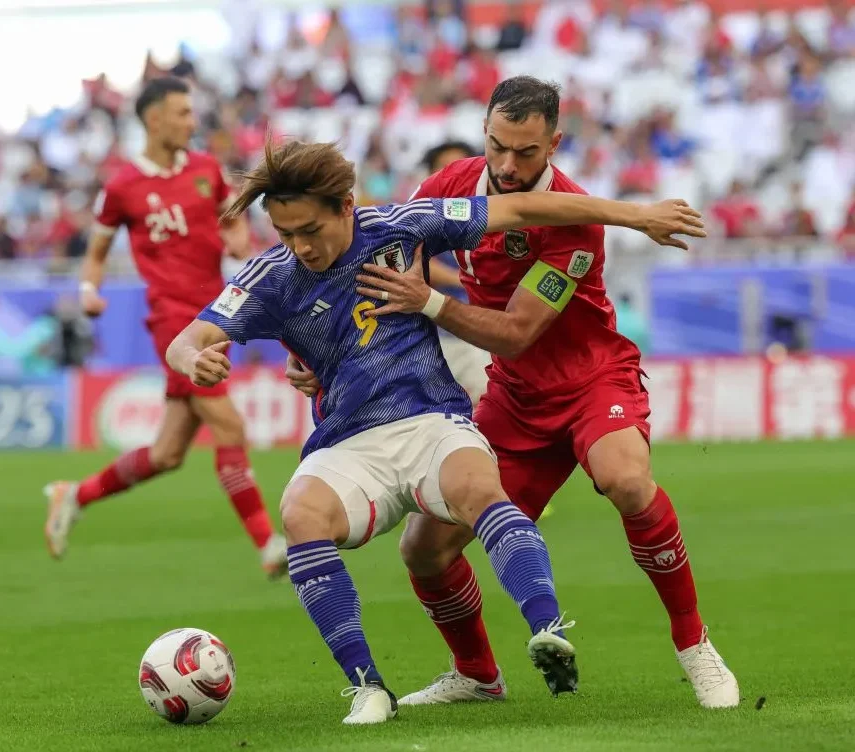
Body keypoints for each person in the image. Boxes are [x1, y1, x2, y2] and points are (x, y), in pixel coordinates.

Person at [166, 137, 705, 724]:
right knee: (300, 514)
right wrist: (194, 359)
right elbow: (187, 338)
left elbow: (524, 208)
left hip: (432, 422)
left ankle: (548, 629)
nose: (301, 247)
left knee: (479, 486)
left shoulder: (401, 227)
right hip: (348, 443)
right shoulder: (271, 276)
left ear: (346, 206)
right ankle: (368, 687)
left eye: (310, 230)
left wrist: (635, 215)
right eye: (285, 232)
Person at [323, 75, 738, 709]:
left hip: (592, 381)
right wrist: (319, 352)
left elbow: (517, 334)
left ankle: (694, 644)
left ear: (554, 144)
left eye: (526, 152)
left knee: (627, 481)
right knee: (424, 550)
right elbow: (381, 256)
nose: (508, 166)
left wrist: (428, 300)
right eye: (498, 146)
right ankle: (477, 675)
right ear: (484, 132)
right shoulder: (452, 185)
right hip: (515, 400)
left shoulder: (574, 221)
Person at [43, 77, 286, 576]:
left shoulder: (205, 169)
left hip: (217, 314)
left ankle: (75, 494)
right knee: (230, 425)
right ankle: (268, 544)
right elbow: (96, 255)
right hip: (173, 321)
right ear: (154, 119)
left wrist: (239, 240)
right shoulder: (122, 187)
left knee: (168, 452)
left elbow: (231, 219)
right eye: (182, 113)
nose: (191, 122)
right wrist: (89, 291)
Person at [421, 141, 494, 405]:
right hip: (432, 340)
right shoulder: (419, 219)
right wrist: (467, 281)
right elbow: (417, 266)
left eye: (460, 169)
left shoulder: (489, 218)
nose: (453, 177)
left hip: (479, 338)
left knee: (485, 405)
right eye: (444, 169)